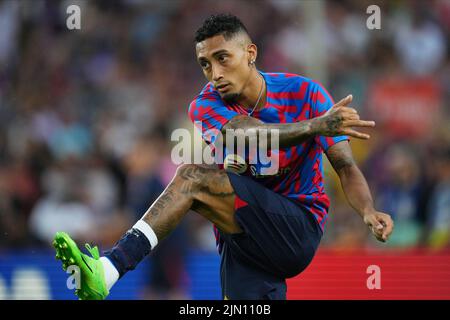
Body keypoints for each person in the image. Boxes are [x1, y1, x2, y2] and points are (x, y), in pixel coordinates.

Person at [53, 14, 394, 300]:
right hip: (244, 240)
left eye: (222, 58)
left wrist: (367, 210)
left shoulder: (306, 94)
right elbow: (247, 132)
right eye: (205, 64)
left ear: (250, 53)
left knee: (191, 178)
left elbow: (346, 166)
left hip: (297, 228)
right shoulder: (206, 104)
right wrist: (314, 126)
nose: (214, 74)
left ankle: (110, 269)